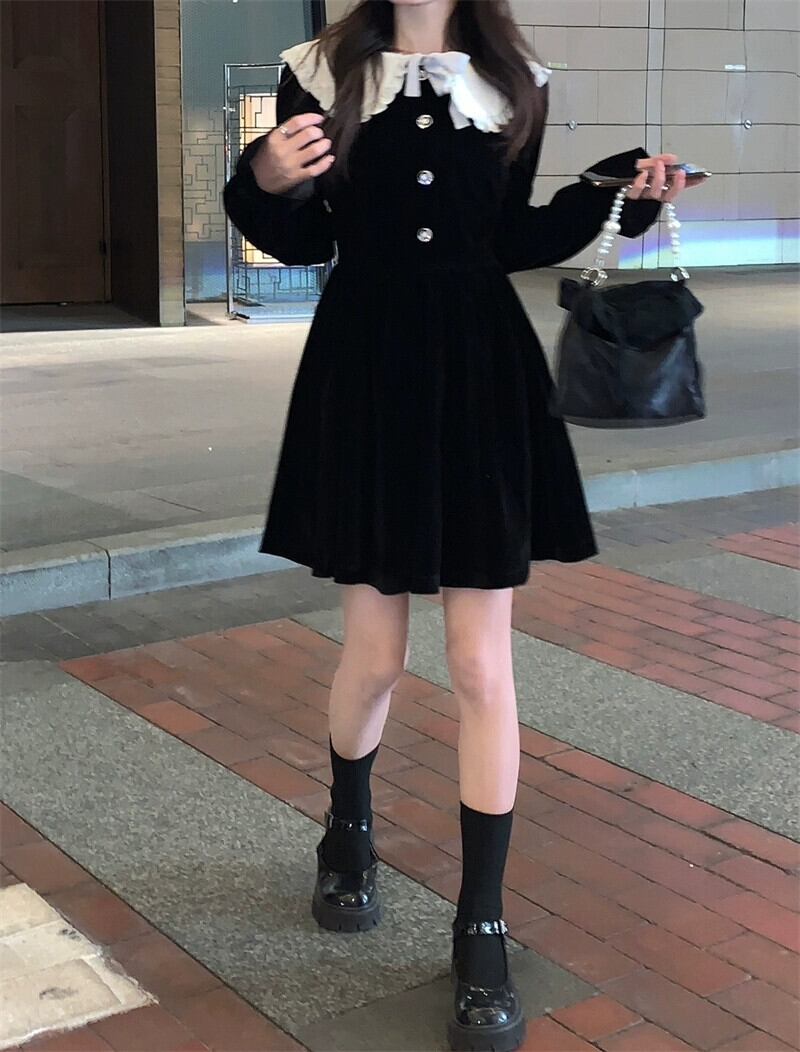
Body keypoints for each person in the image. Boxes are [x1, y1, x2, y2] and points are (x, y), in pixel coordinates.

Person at [223, 1, 690, 1048]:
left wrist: (617, 194)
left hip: (480, 375)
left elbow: (508, 234)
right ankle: (347, 829)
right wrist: (263, 179)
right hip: (368, 370)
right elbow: (301, 239)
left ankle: (480, 923)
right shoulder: (320, 69)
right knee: (377, 655)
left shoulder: (514, 78)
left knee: (482, 664)